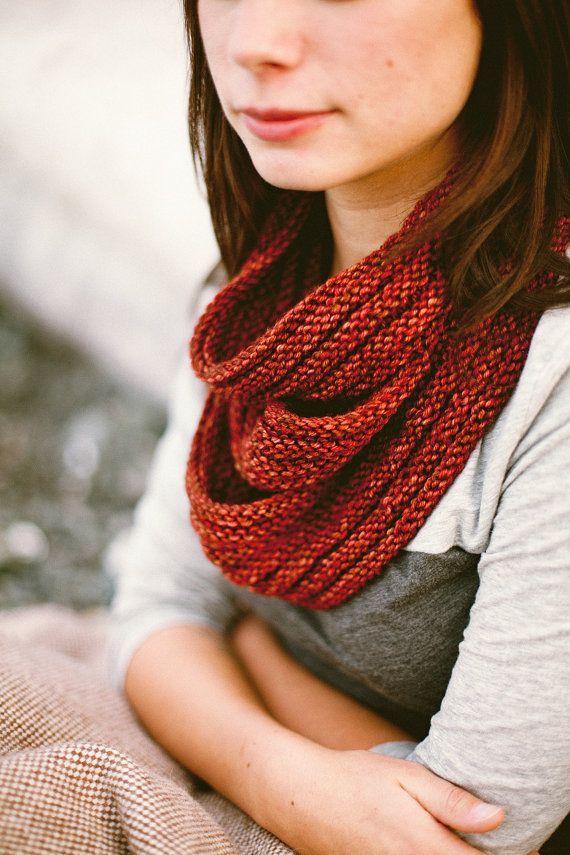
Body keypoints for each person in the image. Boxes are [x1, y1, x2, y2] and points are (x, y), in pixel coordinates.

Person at [109, 1, 569, 853]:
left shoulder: (553, 371)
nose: (255, 43)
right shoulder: (258, 300)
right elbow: (151, 607)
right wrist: (292, 779)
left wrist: (246, 652)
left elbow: (474, 834)